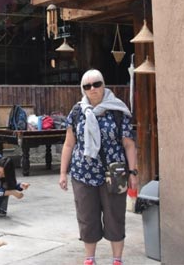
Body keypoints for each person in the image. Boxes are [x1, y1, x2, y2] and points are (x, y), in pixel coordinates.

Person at [59, 69, 138, 265]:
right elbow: (69, 144)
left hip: (114, 172)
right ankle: (90, 258)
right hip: (82, 173)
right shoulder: (77, 112)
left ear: (104, 84)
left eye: (96, 84)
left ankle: (117, 259)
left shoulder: (118, 110)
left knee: (115, 216)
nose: (92, 89)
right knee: (87, 217)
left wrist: (133, 172)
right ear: (83, 89)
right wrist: (62, 172)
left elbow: (129, 144)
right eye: (87, 86)